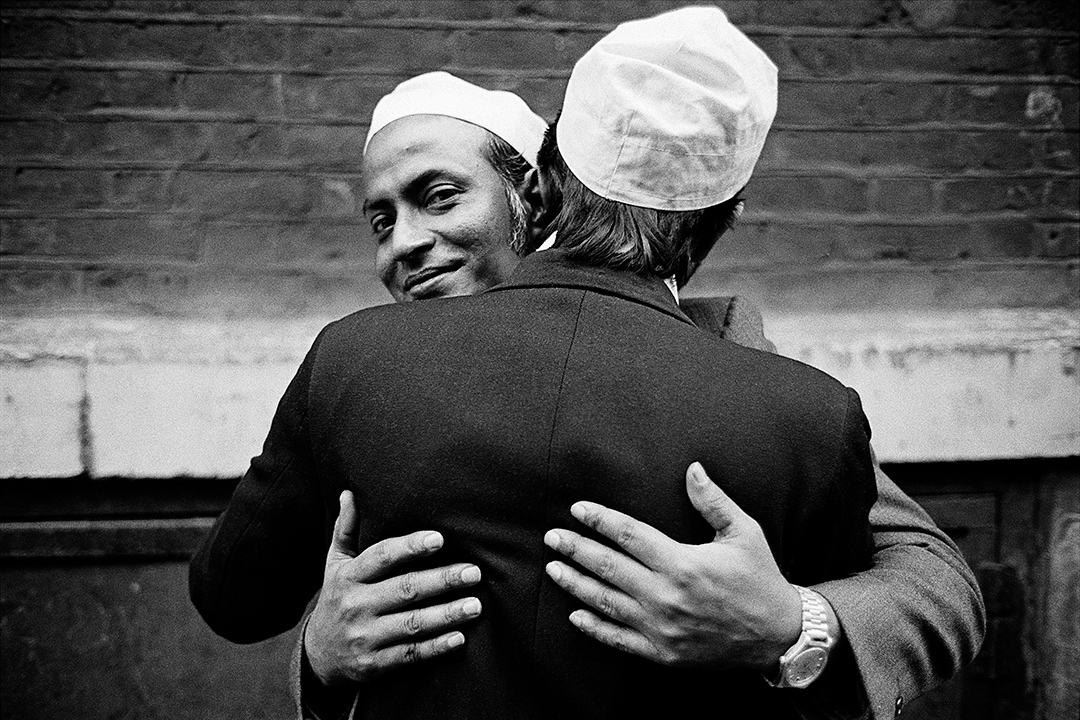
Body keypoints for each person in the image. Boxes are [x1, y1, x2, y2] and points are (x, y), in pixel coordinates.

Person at [189, 10, 985, 720]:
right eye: (379, 221)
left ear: (537, 192)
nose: (407, 244)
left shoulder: (758, 379)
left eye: (441, 197)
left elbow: (930, 575)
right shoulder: (360, 368)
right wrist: (322, 653)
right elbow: (241, 592)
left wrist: (793, 624)